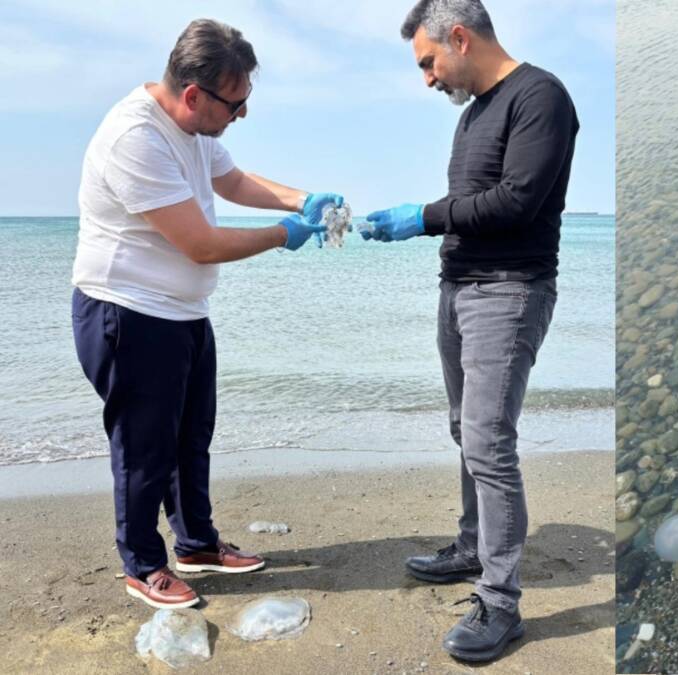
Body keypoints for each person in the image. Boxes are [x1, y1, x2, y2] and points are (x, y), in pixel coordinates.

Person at [71, 18, 344, 610]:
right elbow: (200, 244)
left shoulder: (194, 125)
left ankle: (196, 544)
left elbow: (233, 180)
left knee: (192, 436)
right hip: (127, 312)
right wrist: (283, 234)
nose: (242, 115)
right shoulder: (134, 137)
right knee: (145, 447)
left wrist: (302, 199)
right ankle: (143, 565)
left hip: (183, 312)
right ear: (195, 95)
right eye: (235, 105)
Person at [361, 0, 579, 662]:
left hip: (509, 292)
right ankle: (472, 545)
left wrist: (423, 217)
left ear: (459, 37)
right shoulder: (473, 114)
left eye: (428, 62)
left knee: (489, 443)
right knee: (465, 430)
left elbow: (517, 201)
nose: (427, 78)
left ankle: (501, 603)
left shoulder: (540, 97)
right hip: (457, 289)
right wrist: (427, 230)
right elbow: (471, 206)